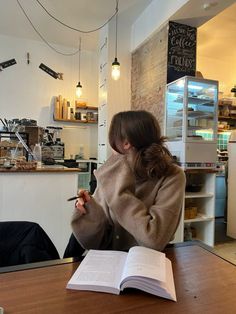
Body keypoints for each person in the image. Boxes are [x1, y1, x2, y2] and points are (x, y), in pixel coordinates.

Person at [71, 110, 185, 252]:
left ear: (126, 143)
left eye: (113, 139)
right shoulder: (113, 172)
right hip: (111, 261)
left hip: (148, 264)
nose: (110, 147)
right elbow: (97, 244)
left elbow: (154, 239)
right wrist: (90, 212)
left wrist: (119, 194)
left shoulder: (172, 175)